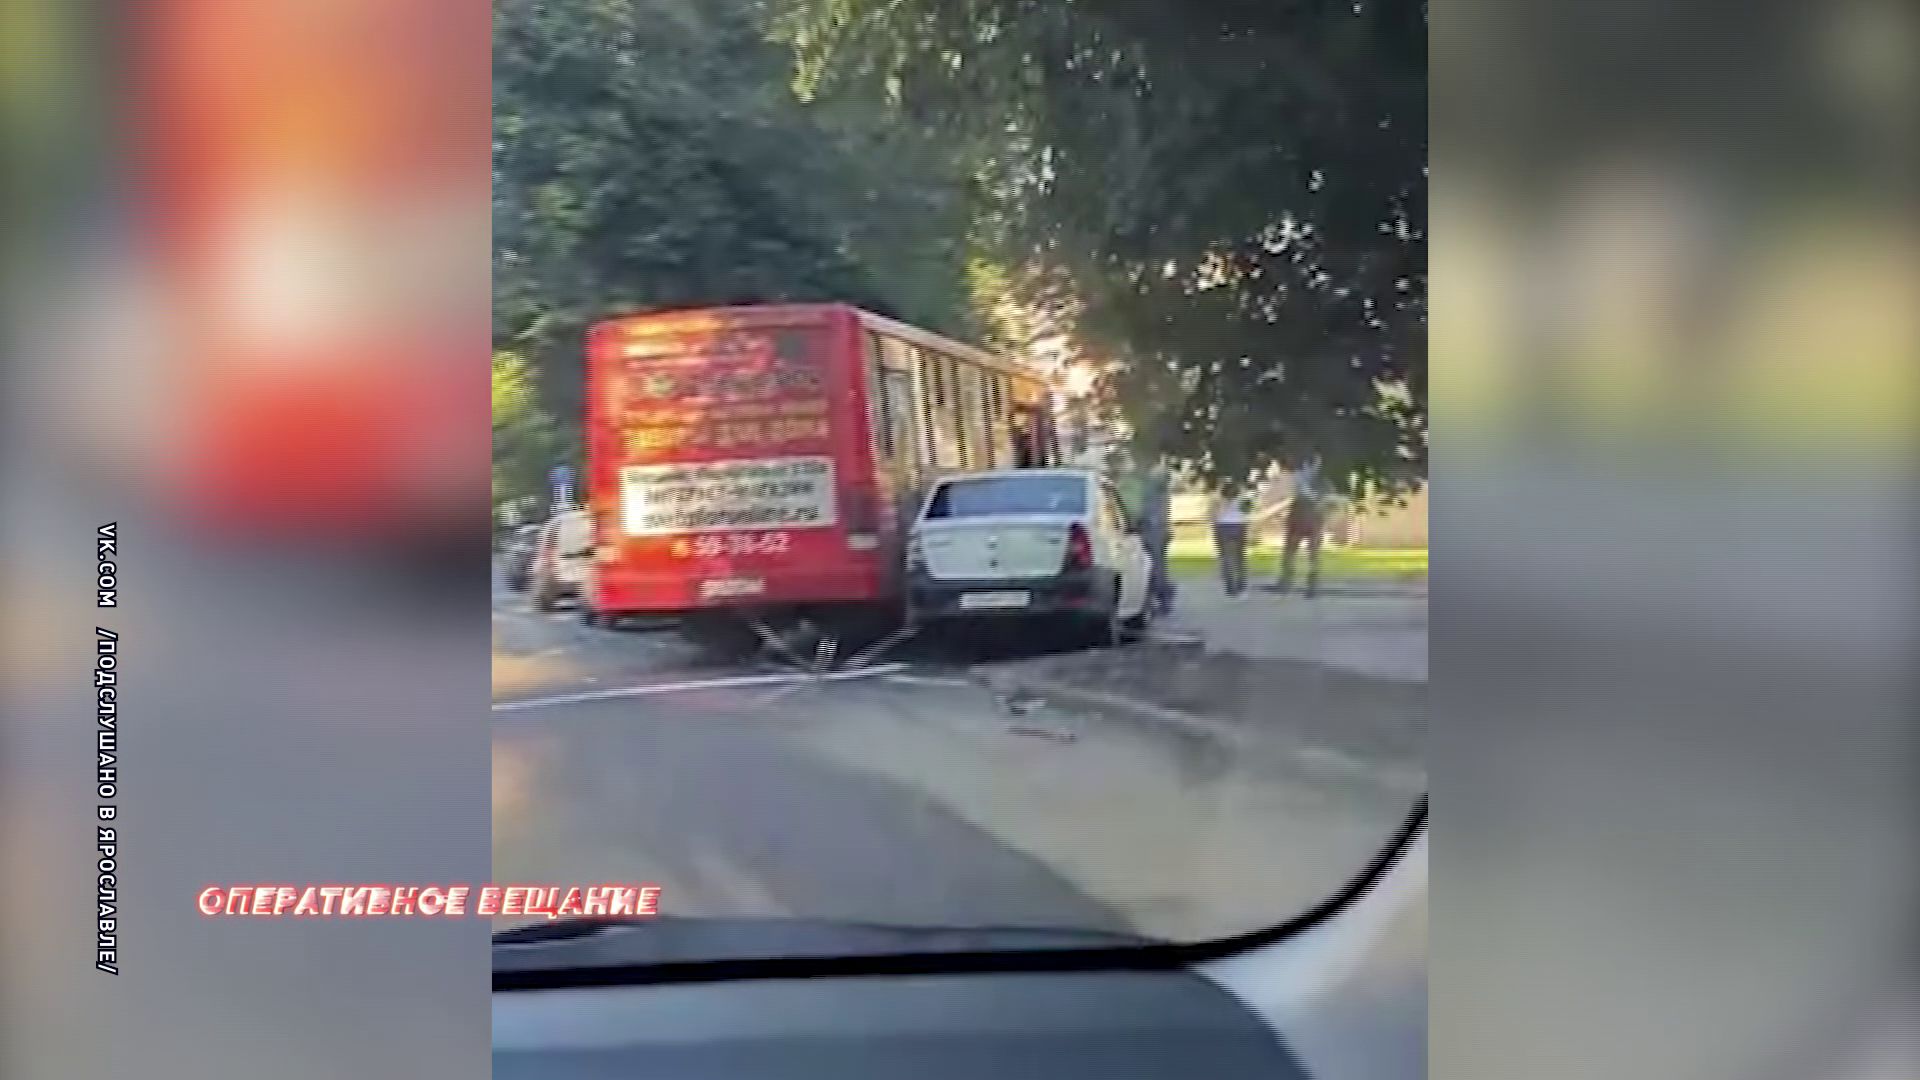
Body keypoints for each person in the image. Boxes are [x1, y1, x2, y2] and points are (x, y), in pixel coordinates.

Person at [1275, 455, 1326, 597]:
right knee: (1311, 555)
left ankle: (1289, 583)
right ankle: (1310, 586)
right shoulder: (1320, 481)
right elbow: (1324, 500)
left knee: (1293, 553)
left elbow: (1295, 496)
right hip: (1311, 518)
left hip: (1302, 517)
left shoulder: (1302, 479)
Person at [1139, 461, 1175, 615]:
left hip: (1153, 531)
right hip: (1159, 530)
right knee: (1158, 566)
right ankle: (1162, 597)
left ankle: (1160, 596)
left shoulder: (1152, 492)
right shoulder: (1161, 492)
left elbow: (1147, 511)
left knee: (1154, 567)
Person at [1211, 483, 1252, 597]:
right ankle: (1241, 583)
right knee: (1240, 557)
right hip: (1239, 526)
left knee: (1226, 557)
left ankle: (1230, 586)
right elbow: (1248, 512)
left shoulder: (1218, 501)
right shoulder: (1243, 500)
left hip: (1223, 526)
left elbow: (1214, 516)